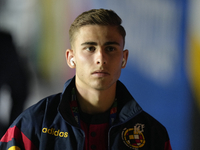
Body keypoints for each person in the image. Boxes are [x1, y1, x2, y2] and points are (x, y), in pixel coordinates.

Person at [0, 9, 172, 150]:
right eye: (90, 48)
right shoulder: (32, 125)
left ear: (124, 58)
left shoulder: (152, 135)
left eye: (110, 48)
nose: (100, 58)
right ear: (71, 58)